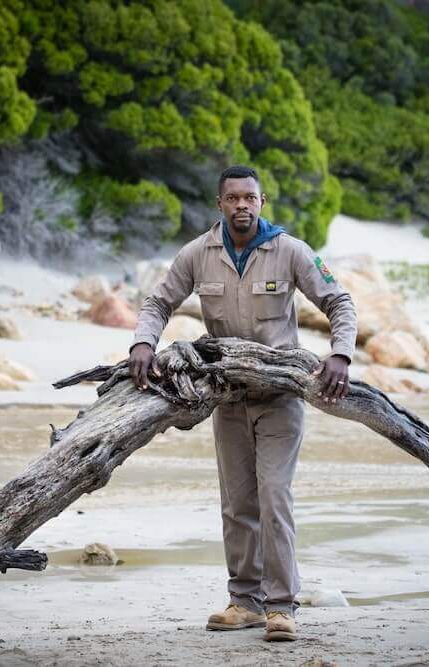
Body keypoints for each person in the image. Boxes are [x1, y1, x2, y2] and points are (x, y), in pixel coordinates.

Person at [129, 165, 357, 642]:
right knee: (237, 503)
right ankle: (244, 603)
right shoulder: (198, 253)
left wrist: (340, 354)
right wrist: (143, 345)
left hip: (279, 399)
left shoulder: (291, 251)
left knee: (274, 495)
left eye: (249, 198)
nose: (241, 206)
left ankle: (281, 608)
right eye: (232, 198)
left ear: (262, 201)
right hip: (227, 398)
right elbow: (157, 302)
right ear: (220, 204)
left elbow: (339, 301)